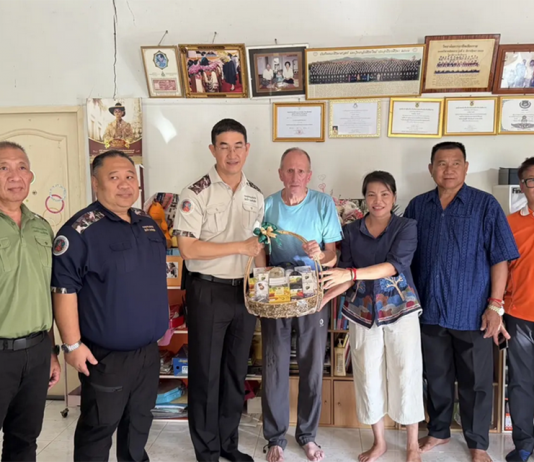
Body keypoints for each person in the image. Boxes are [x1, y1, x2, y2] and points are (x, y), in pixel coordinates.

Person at [403, 141, 519, 462]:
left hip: (472, 312)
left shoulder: (485, 205)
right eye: (441, 163)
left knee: (476, 382)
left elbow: (500, 258)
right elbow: (405, 256)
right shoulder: (417, 206)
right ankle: (439, 431)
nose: (449, 169)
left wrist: (495, 306)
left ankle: (478, 443)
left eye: (456, 163)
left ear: (466, 168)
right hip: (428, 310)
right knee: (436, 377)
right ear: (431, 169)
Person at [51, 150, 168, 462]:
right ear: (96, 183)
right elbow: (63, 290)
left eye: (130, 176)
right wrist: (72, 345)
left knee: (139, 423)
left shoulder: (148, 223)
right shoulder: (79, 232)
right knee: (99, 427)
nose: (125, 184)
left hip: (148, 352)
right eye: (114, 177)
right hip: (105, 356)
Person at [174, 119, 265, 462]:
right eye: (224, 146)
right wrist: (239, 246)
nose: (232, 153)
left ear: (247, 149)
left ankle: (228, 444)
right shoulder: (195, 193)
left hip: (244, 293)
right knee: (206, 374)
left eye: (238, 145)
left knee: (235, 372)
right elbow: (188, 249)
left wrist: (262, 283)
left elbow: (259, 246)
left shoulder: (256, 194)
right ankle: (207, 450)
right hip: (208, 292)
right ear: (213, 150)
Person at [321, 171, 423, 462]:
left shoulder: (406, 227)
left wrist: (350, 274)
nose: (378, 200)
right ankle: (379, 442)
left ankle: (412, 445)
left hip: (400, 309)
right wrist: (325, 298)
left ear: (393, 196)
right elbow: (346, 275)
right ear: (364, 198)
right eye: (371, 195)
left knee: (406, 372)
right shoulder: (351, 231)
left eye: (385, 194)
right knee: (367, 375)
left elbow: (393, 266)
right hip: (362, 312)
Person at [261, 148, 342, 462]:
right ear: (280, 173)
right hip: (277, 290)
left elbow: (333, 255)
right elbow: (259, 248)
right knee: (274, 364)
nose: (295, 177)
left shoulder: (323, 203)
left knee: (312, 365)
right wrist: (261, 281)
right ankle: (275, 437)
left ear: (309, 176)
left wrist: (320, 255)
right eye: (289, 170)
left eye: (301, 171)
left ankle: (307, 435)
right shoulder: (268, 204)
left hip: (312, 290)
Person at [0, 141, 61, 462]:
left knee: (24, 440)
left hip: (36, 352)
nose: (15, 176)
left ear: (31, 176)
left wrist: (51, 351)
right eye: (3, 168)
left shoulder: (41, 227)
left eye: (21, 167)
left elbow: (45, 292)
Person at [503, 157, 534, 462]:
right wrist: (497, 309)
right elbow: (500, 269)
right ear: (522, 186)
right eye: (532, 181)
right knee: (521, 383)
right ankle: (524, 443)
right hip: (520, 316)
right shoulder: (509, 224)